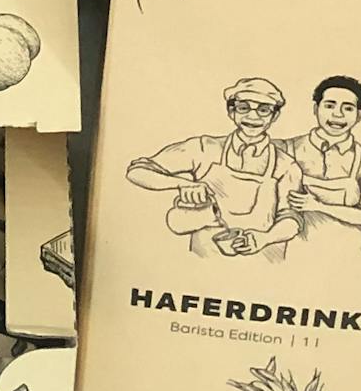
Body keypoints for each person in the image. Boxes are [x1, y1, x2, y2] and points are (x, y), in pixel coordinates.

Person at [124, 77, 306, 259]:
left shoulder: (286, 165)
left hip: (264, 262)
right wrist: (181, 184)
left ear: (274, 116)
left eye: (263, 110)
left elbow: (292, 219)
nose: (253, 117)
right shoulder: (205, 148)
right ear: (231, 111)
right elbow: (137, 171)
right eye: (244, 108)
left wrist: (264, 239)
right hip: (203, 262)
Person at [280, 75, 361, 270]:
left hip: (348, 259)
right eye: (330, 105)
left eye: (348, 108)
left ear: (359, 114)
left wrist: (318, 206)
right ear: (316, 109)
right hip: (296, 256)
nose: (337, 114)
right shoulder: (287, 149)